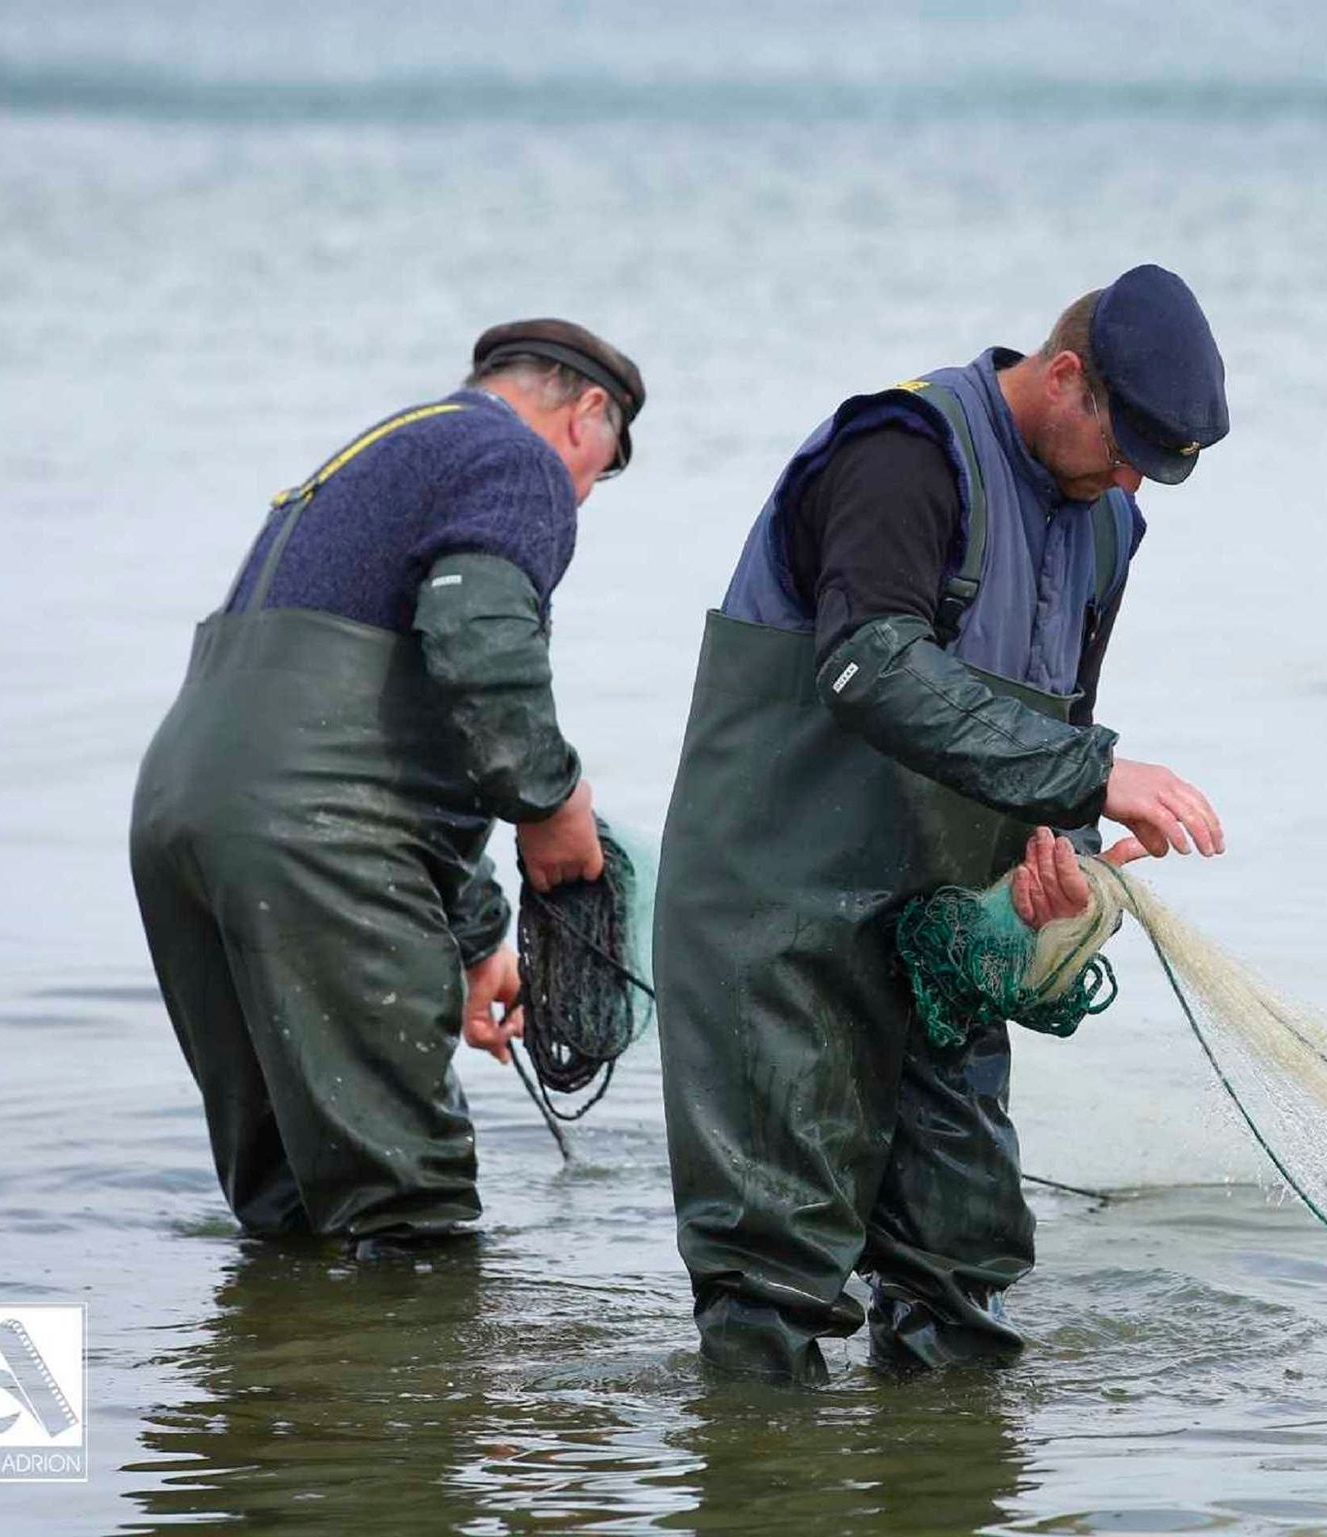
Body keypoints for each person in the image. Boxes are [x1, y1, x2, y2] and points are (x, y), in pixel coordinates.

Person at [654, 265, 1228, 1381]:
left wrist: (1045, 879)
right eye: (1126, 452)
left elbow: (1039, 744)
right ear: (1066, 378)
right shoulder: (905, 451)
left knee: (959, 1269)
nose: (1130, 484)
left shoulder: (1106, 522)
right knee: (771, 1282)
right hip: (777, 923)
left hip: (938, 942)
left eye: (1155, 473)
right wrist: (1091, 774)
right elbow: (872, 667)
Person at [130, 319, 645, 1250]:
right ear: (588, 413)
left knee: (287, 1196)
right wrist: (551, 802)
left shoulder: (392, 451)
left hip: (185, 817)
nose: (583, 497)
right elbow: (479, 647)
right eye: (602, 470)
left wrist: (478, 937)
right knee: (409, 1208)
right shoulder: (513, 458)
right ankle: (418, 1396)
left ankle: (283, 1384)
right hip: (317, 829)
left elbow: (402, 733)